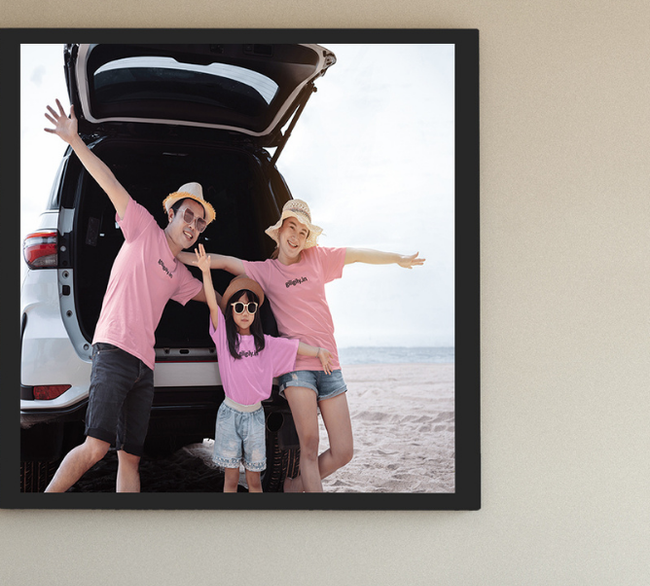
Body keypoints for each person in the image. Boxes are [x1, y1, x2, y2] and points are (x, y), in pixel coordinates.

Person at [40, 100, 214, 494]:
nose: (192, 225)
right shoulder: (142, 227)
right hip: (114, 351)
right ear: (171, 213)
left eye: (200, 222)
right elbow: (109, 182)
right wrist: (75, 140)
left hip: (144, 368)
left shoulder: (180, 275)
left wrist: (245, 287)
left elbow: (212, 298)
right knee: (96, 447)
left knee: (130, 458)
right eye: (187, 215)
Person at [194, 199, 423, 492]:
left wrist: (397, 258)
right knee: (310, 446)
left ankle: (295, 487)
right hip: (296, 367)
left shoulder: (318, 258)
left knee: (344, 451)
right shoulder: (267, 271)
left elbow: (357, 254)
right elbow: (226, 262)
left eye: (303, 232)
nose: (297, 236)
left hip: (329, 363)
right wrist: (174, 252)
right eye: (292, 227)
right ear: (279, 231)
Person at [189, 248, 329, 493]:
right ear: (231, 310)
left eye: (250, 307)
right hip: (230, 415)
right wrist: (205, 272)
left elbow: (294, 346)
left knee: (254, 481)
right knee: (231, 479)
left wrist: (318, 352)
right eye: (239, 307)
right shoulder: (224, 338)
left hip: (255, 417)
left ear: (255, 312)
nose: (245, 313)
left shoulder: (265, 344)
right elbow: (212, 303)